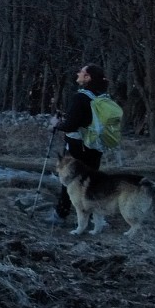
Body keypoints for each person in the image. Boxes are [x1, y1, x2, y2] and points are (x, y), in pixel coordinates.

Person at [50, 63, 109, 220]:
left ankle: (61, 213)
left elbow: (71, 125)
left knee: (69, 179)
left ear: (87, 77)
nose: (78, 74)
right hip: (96, 146)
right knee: (91, 182)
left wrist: (57, 124)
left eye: (81, 72)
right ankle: (93, 217)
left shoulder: (80, 97)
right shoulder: (102, 97)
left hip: (77, 145)